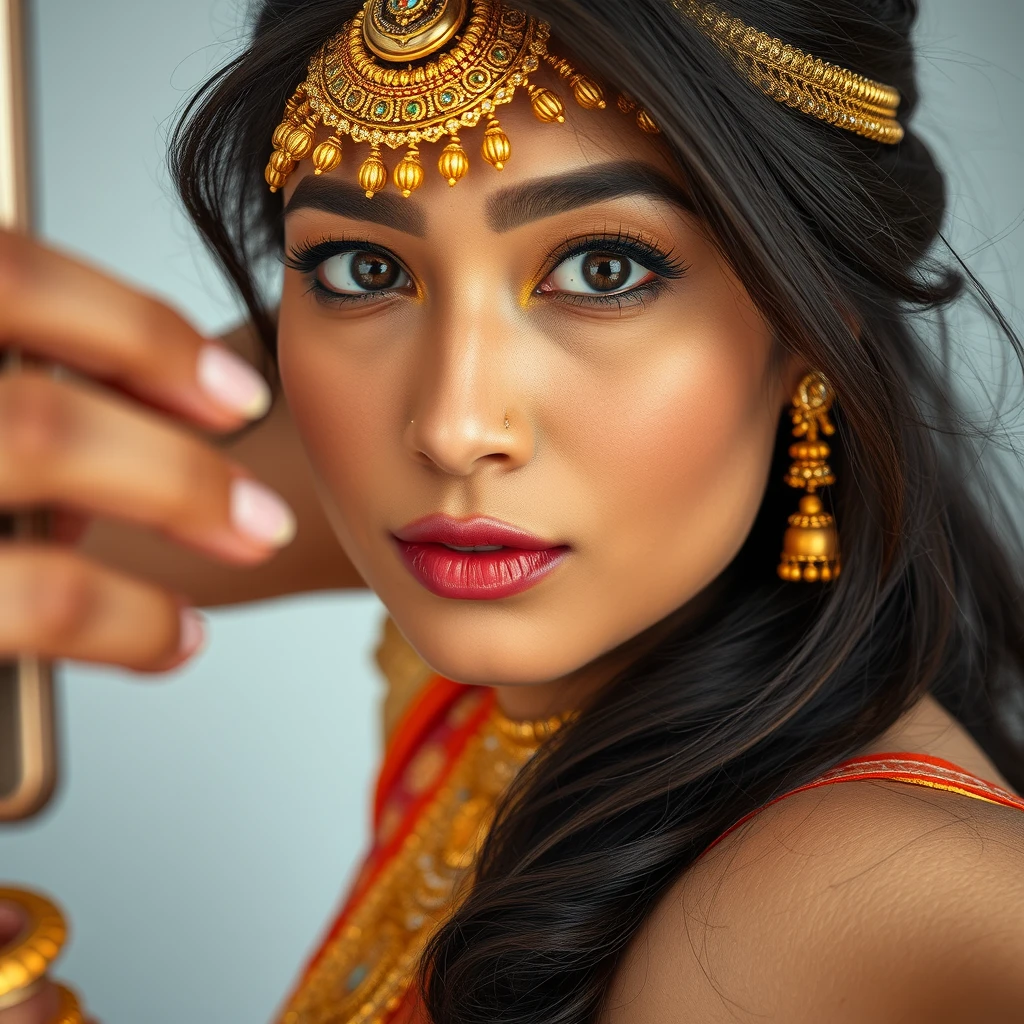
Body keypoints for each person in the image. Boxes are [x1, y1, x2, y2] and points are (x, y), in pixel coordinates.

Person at [1, 0, 1023, 1021]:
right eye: (366, 268)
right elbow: (49, 496)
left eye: (603, 269)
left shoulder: (861, 897)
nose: (451, 427)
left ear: (814, 321)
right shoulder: (507, 578)